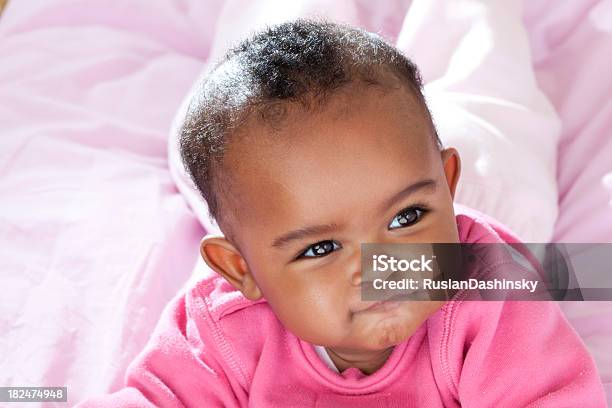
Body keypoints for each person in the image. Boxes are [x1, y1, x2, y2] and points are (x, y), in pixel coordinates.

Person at [76, 19, 606, 407]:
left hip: (491, 182)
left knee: (485, 67)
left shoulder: (492, 290)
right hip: (360, 170)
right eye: (321, 249)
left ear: (445, 187)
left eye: (406, 220)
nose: (380, 266)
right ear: (241, 272)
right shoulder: (223, 329)